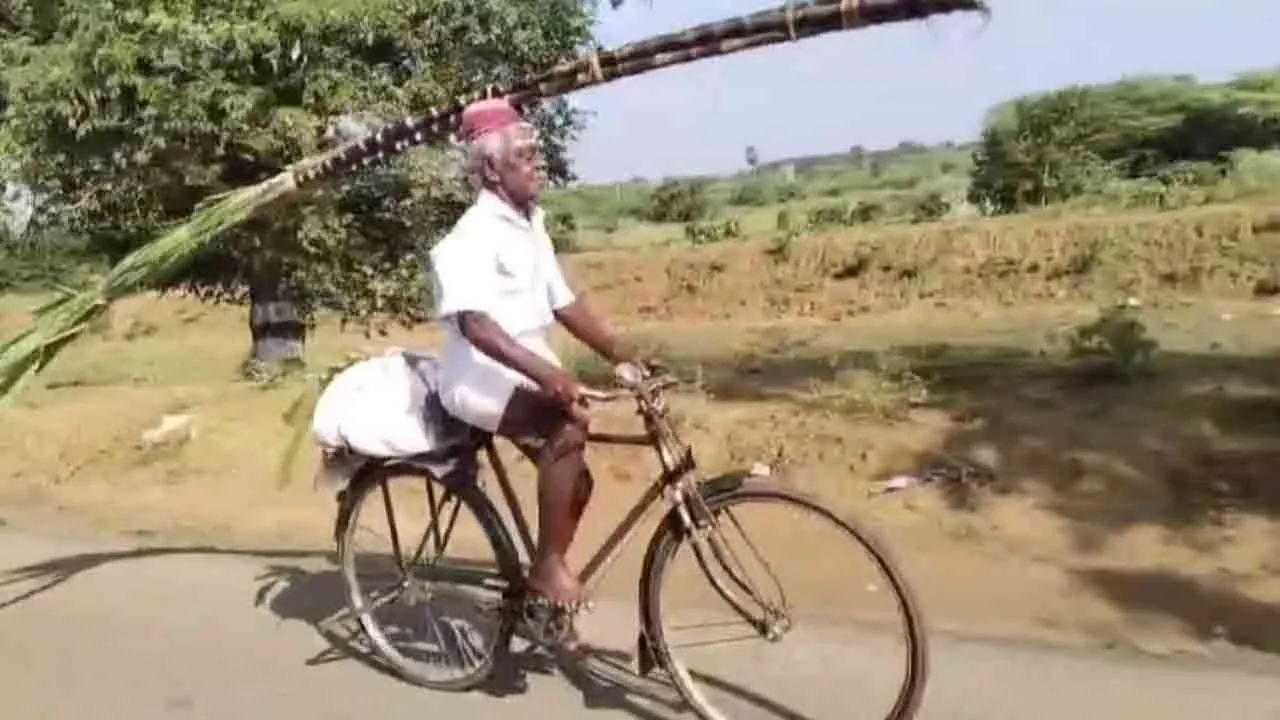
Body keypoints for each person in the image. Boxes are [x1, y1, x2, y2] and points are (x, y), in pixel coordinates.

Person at [427, 97, 641, 614]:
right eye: (524, 156)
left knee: (578, 481)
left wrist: (625, 354)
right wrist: (551, 376)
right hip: (478, 378)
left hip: (525, 371)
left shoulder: (531, 224)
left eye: (534, 153)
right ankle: (547, 570)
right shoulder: (467, 239)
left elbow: (562, 301)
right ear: (493, 169)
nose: (536, 164)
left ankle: (545, 582)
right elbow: (476, 325)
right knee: (568, 425)